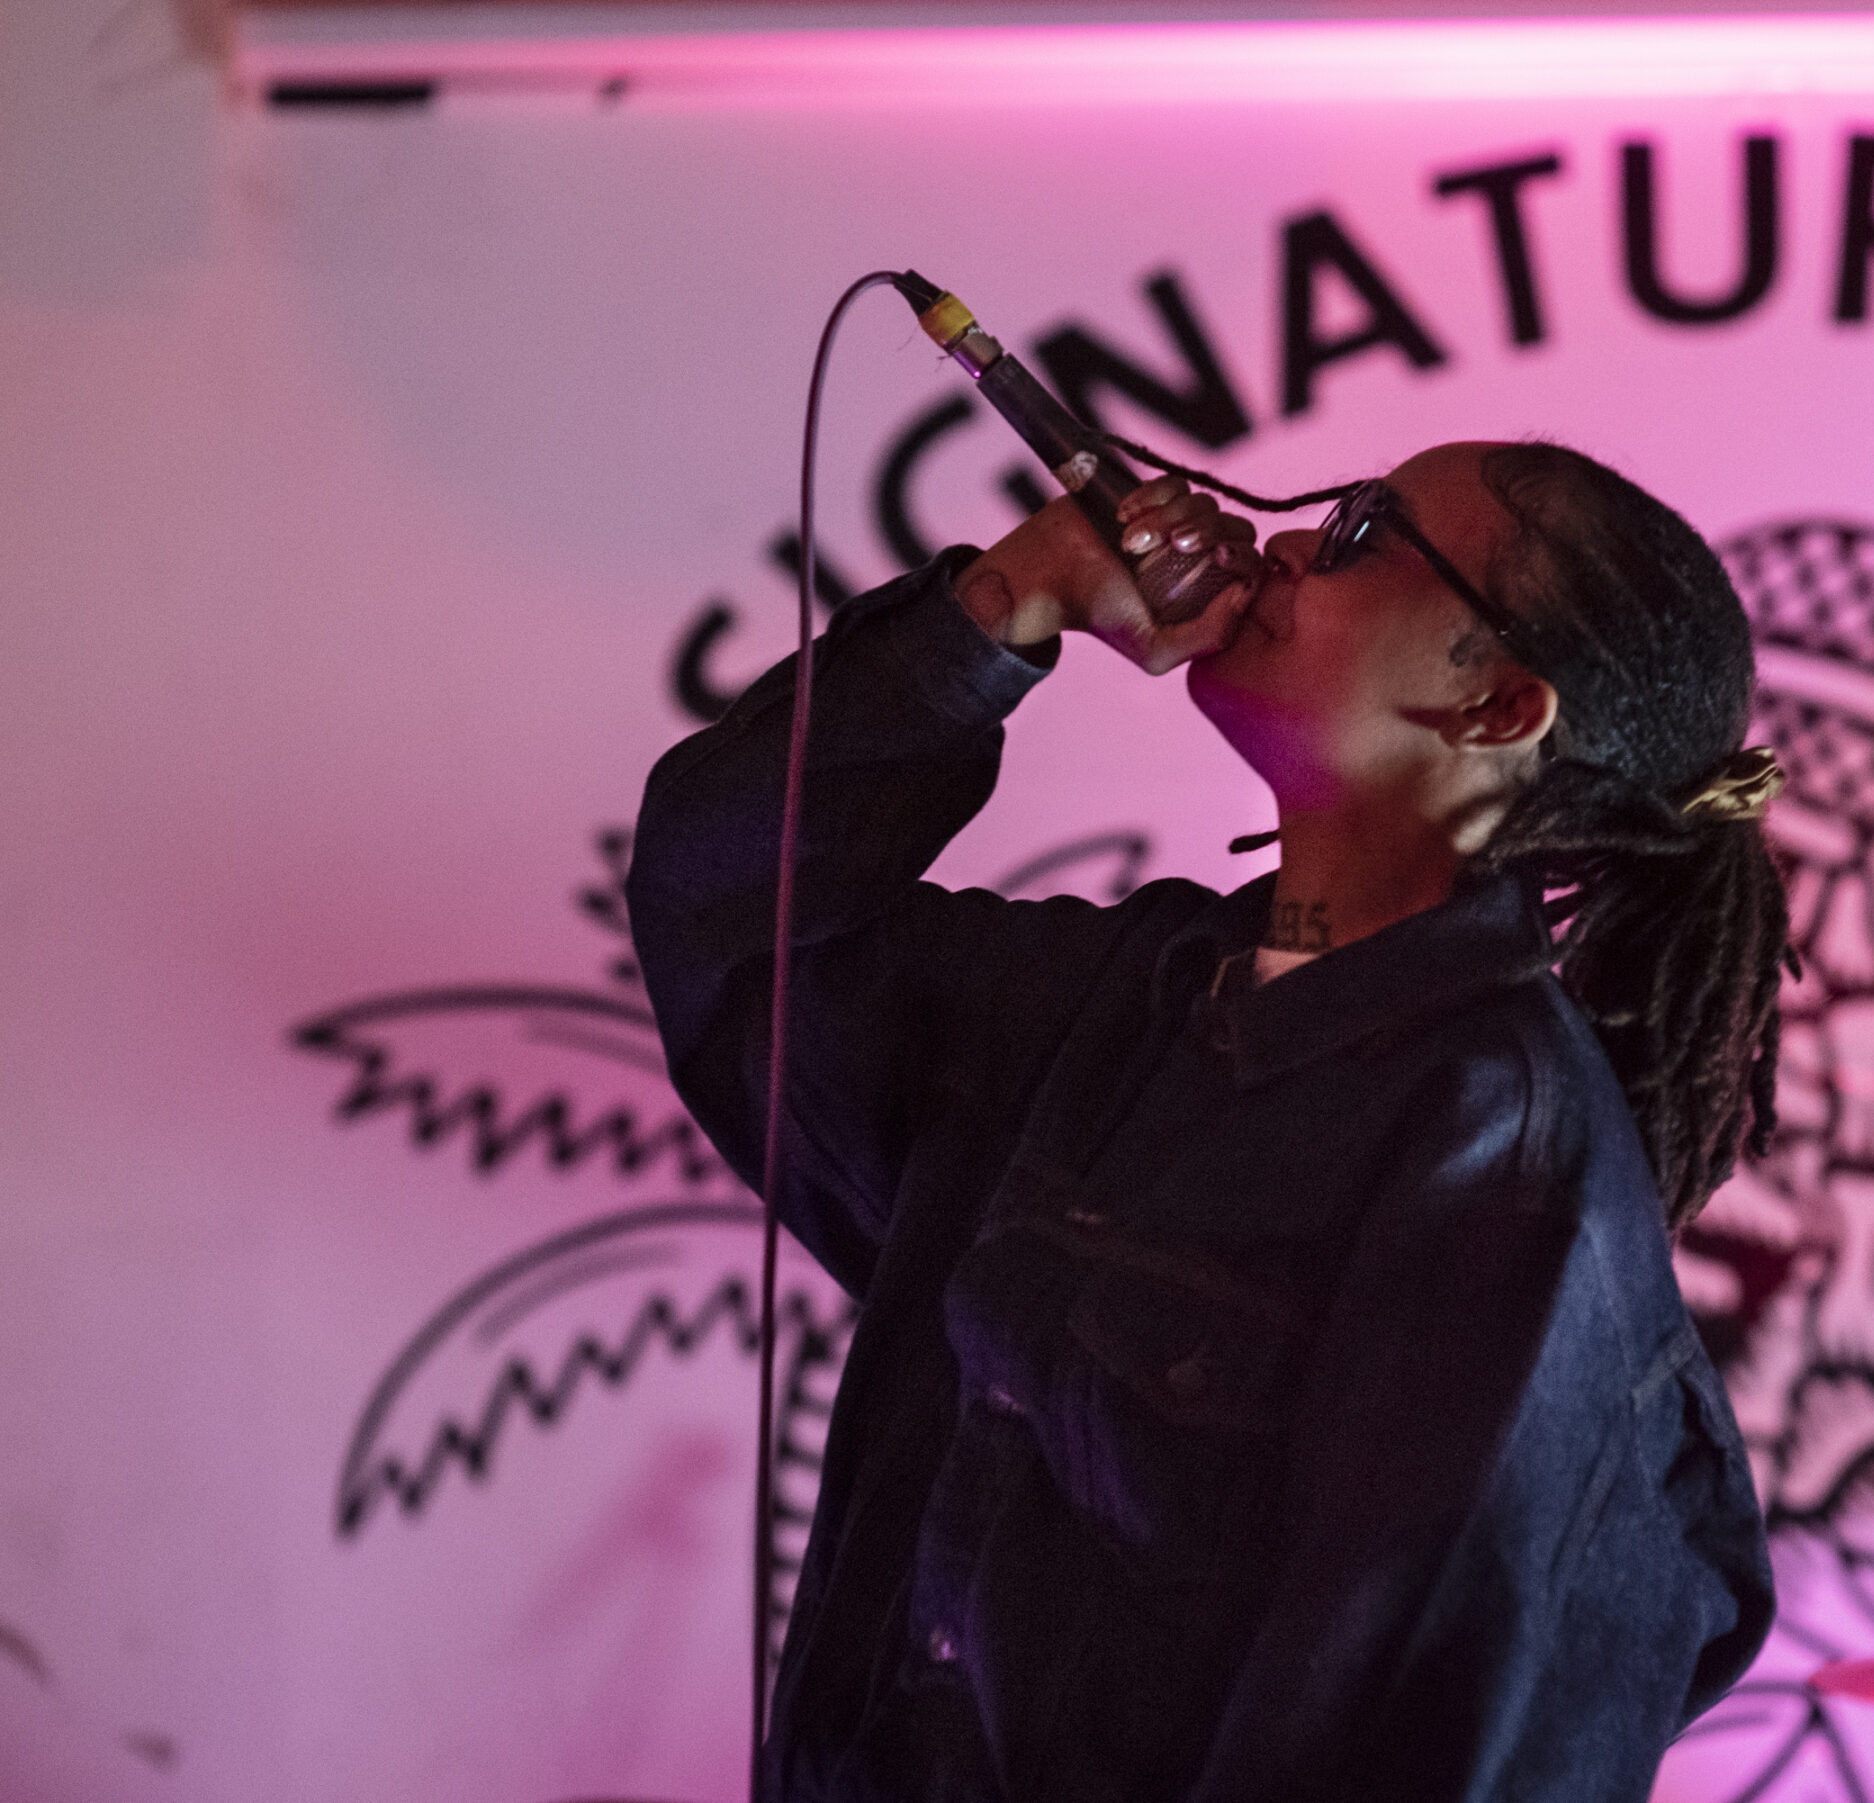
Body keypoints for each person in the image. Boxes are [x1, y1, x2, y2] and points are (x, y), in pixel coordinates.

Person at [627, 439, 1786, 1803]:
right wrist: (1000, 608)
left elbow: (1431, 1752)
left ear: (1498, 705)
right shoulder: (1112, 997)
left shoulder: (1502, 1165)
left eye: (1362, 534)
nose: (1282, 543)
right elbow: (730, 917)